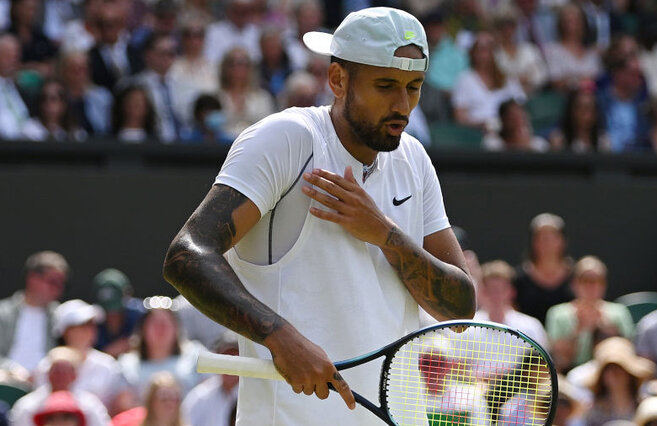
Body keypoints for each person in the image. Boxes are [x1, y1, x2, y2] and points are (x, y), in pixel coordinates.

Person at [162, 7, 476, 425]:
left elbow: (459, 309)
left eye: (414, 86)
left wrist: (385, 233)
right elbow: (188, 255)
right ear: (338, 79)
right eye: (385, 85)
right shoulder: (286, 139)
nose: (403, 104)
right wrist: (280, 337)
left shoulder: (414, 159)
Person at [34, 299, 128, 414]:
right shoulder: (45, 367)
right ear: (65, 331)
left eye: (91, 324)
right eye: (82, 325)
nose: (89, 330)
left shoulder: (109, 366)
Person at [545, 255, 634, 373]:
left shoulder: (619, 312)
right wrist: (579, 329)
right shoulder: (557, 314)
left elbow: (627, 354)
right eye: (586, 280)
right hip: (568, 378)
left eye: (597, 281)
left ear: (604, 284)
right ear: (574, 284)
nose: (592, 286)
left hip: (608, 377)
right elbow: (560, 361)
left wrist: (603, 327)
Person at [117, 297, 204, 398]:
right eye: (155, 324)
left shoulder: (195, 355)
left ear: (176, 329)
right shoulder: (126, 365)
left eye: (166, 324)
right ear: (142, 330)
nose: (161, 330)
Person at [0, 251, 68, 373]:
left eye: (61, 283)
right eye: (52, 282)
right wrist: (13, 371)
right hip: (5, 383)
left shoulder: (61, 316)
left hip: (46, 386)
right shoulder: (3, 313)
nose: (58, 288)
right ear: (33, 278)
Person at [10, 346, 110, 426]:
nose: (60, 376)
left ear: (75, 375)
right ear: (48, 374)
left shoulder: (90, 405)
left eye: (67, 417)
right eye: (56, 371)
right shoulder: (27, 406)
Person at [452, 30, 526, 129]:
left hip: (508, 131)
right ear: (473, 53)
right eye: (480, 50)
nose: (484, 55)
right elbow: (460, 116)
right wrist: (481, 125)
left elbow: (519, 104)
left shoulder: (506, 77)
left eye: (488, 50)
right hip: (479, 133)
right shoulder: (464, 79)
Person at [513, 213, 574, 324]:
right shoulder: (519, 279)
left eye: (553, 236)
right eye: (542, 237)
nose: (547, 242)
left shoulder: (576, 276)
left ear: (562, 240)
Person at [475, 260, 549, 350]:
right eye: (491, 290)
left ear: (512, 292)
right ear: (482, 292)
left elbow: (541, 362)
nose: (496, 295)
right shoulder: (467, 327)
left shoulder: (532, 327)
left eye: (500, 290)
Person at [180, 332, 239, 426]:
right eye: (225, 357)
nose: (230, 364)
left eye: (235, 357)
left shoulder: (253, 395)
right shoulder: (200, 396)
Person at [92, 268, 144, 359]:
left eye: (117, 310)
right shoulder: (91, 321)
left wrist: (138, 342)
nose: (112, 315)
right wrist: (107, 353)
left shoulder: (141, 314)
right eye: (107, 310)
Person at [550, 86, 610, 153]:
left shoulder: (602, 141)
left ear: (596, 113)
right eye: (579, 108)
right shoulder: (559, 140)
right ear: (571, 111)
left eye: (588, 108)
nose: (583, 113)